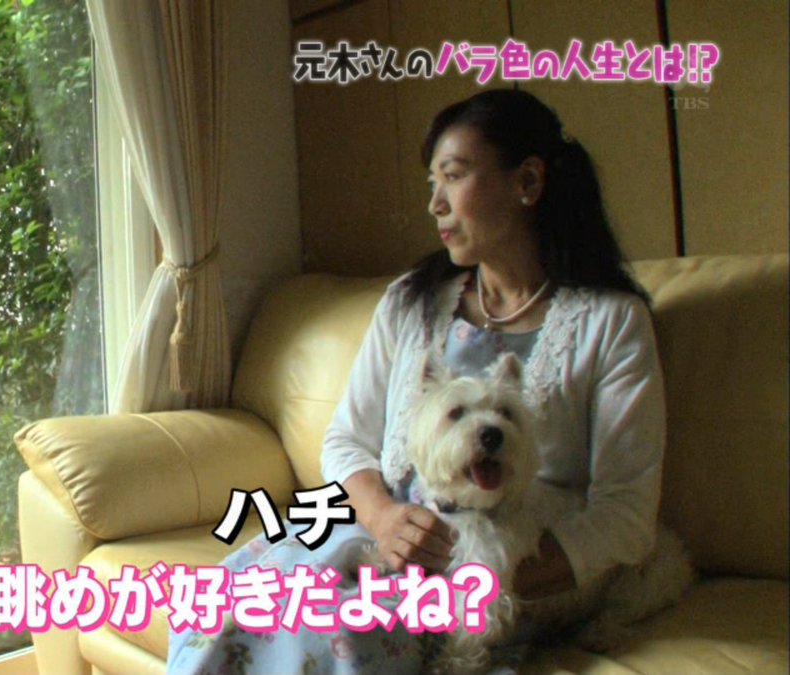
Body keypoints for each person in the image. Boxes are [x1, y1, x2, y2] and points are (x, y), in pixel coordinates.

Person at [166, 88, 666, 675]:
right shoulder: (411, 301)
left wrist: (487, 578)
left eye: (453, 176)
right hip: (379, 538)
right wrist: (383, 518)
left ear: (528, 182)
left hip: (507, 570)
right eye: (433, 183)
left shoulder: (611, 322)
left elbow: (627, 515)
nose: (435, 204)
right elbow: (345, 440)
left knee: (331, 634)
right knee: (227, 603)